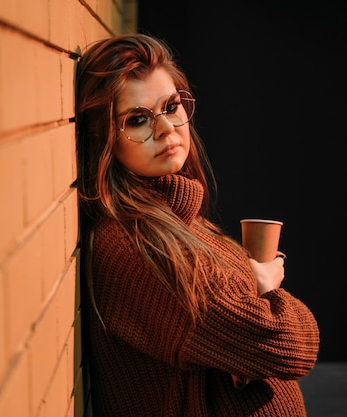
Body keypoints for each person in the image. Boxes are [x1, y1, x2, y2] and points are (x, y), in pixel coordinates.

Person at [75, 33, 320, 417]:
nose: (166, 129)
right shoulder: (131, 246)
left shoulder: (183, 220)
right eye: (137, 120)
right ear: (104, 139)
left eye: (171, 106)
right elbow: (290, 345)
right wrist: (262, 285)